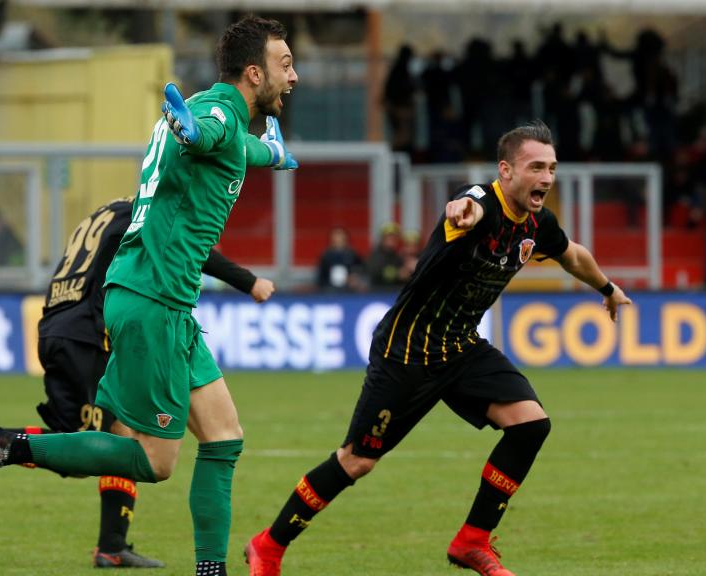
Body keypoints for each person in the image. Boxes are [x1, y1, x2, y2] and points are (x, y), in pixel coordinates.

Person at [0, 16, 299, 576]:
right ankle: (3, 445)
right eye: (285, 65)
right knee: (153, 461)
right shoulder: (214, 117)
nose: (294, 75)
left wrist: (271, 153)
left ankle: (212, 571)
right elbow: (208, 134)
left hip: (164, 301)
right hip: (154, 299)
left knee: (225, 436)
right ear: (254, 74)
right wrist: (192, 131)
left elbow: (231, 147)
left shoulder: (226, 117)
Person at [244, 121, 632, 576]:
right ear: (506, 171)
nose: (546, 178)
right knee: (358, 461)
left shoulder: (537, 223)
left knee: (531, 425)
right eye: (535, 167)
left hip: (460, 348)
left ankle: (473, 540)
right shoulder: (481, 203)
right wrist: (459, 212)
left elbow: (573, 254)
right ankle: (268, 545)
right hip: (405, 351)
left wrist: (606, 287)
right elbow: (464, 206)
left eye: (551, 168)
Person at [0, 196, 276, 568]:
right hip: (89, 333)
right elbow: (192, 248)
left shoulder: (105, 212)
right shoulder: (146, 211)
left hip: (56, 326)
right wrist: (248, 281)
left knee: (110, 436)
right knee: (110, 446)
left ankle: (111, 543)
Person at [316, 227, 364, 291]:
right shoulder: (325, 256)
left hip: (349, 290)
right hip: (330, 291)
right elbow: (321, 277)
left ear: (345, 238)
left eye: (340, 236)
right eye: (336, 236)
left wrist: (354, 277)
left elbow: (359, 270)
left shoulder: (353, 255)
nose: (338, 239)